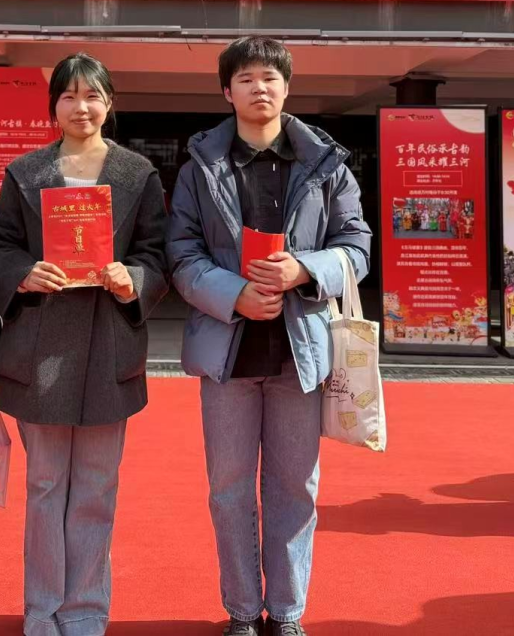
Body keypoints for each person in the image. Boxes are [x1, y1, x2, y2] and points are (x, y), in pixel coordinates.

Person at [167, 37, 371, 636]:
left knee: (295, 488)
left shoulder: (326, 166)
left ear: (287, 88)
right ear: (226, 92)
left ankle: (285, 612)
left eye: (271, 78)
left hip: (299, 355)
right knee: (229, 490)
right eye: (247, 79)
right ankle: (240, 611)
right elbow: (181, 254)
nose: (260, 88)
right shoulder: (200, 169)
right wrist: (235, 294)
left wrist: (304, 269)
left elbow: (357, 247)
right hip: (226, 352)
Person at [0, 53, 169, 636]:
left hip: (108, 346)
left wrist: (132, 278)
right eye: (69, 96)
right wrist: (22, 272)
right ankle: (42, 609)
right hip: (40, 347)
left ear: (109, 104)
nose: (81, 107)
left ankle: (86, 609)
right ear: (54, 107)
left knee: (95, 487)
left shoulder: (138, 173)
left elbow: (157, 253)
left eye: (92, 96)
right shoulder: (26, 172)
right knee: (44, 487)